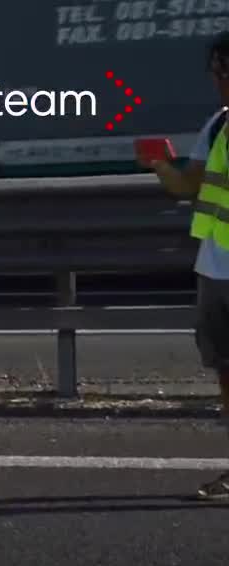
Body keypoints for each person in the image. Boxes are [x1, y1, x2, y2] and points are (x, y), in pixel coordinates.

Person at [141, 32, 229, 500]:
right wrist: (160, 165)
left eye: (221, 71)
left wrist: (161, 168)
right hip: (217, 268)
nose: (218, 81)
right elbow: (188, 185)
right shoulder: (218, 125)